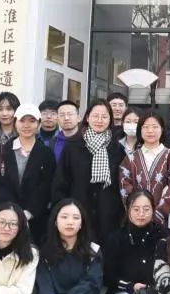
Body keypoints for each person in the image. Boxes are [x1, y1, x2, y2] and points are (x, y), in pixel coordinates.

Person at [52, 100, 125, 244]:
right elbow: (60, 182)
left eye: (104, 117)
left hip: (108, 217)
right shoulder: (72, 146)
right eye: (95, 116)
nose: (99, 120)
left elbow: (120, 185)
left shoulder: (117, 149)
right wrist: (64, 211)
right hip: (77, 214)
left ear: (110, 119)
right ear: (87, 117)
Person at [0, 103, 56, 244]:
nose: (27, 125)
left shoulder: (46, 153)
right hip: (5, 217)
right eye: (22, 120)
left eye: (32, 121)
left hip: (35, 220)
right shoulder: (1, 151)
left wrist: (29, 213)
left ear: (38, 124)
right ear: (15, 122)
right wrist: (11, 212)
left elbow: (46, 187)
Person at [119, 112, 170, 227]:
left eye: (155, 127)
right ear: (140, 130)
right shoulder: (130, 158)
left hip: (164, 222)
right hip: (137, 221)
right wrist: (139, 212)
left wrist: (158, 213)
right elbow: (124, 187)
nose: (150, 131)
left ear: (162, 129)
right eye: (146, 127)